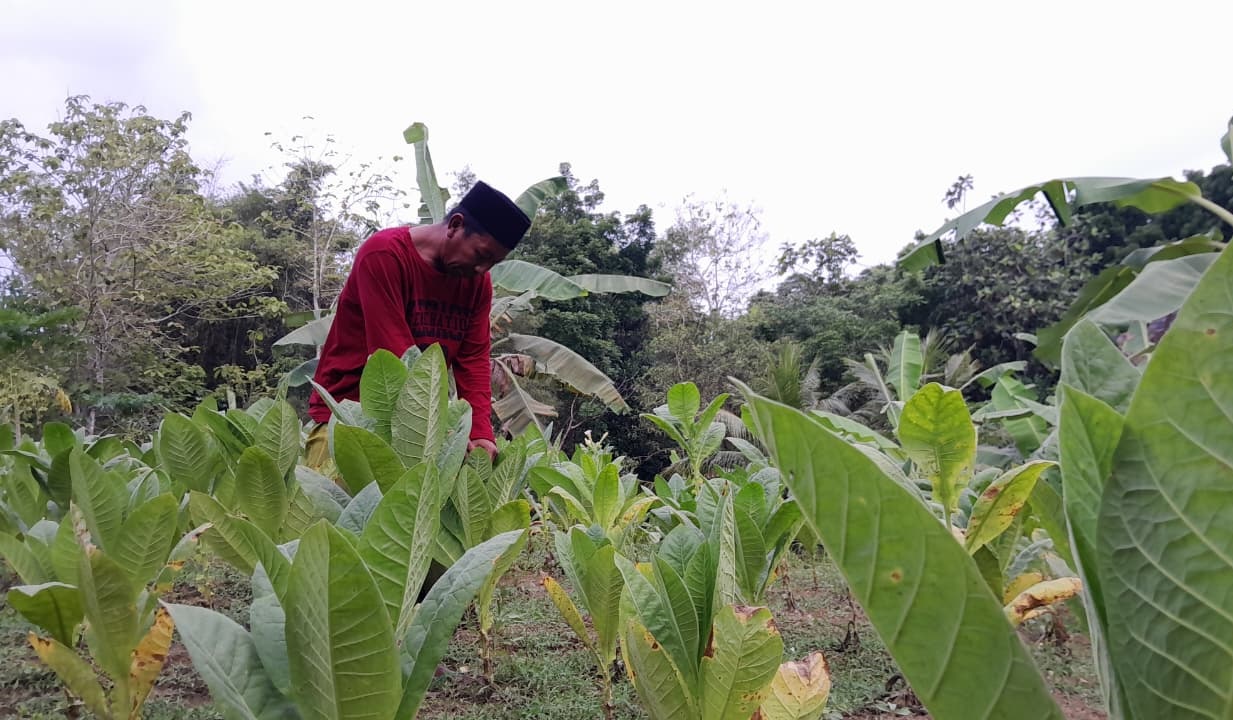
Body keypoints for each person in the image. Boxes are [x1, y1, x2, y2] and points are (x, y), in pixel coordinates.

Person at [305, 180, 531, 467]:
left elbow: (473, 358)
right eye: (480, 255)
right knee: (326, 496)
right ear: (455, 225)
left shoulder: (477, 283)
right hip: (348, 416)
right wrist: (438, 429)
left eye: (492, 263)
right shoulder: (385, 255)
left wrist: (480, 433)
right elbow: (394, 352)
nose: (482, 270)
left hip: (419, 427)